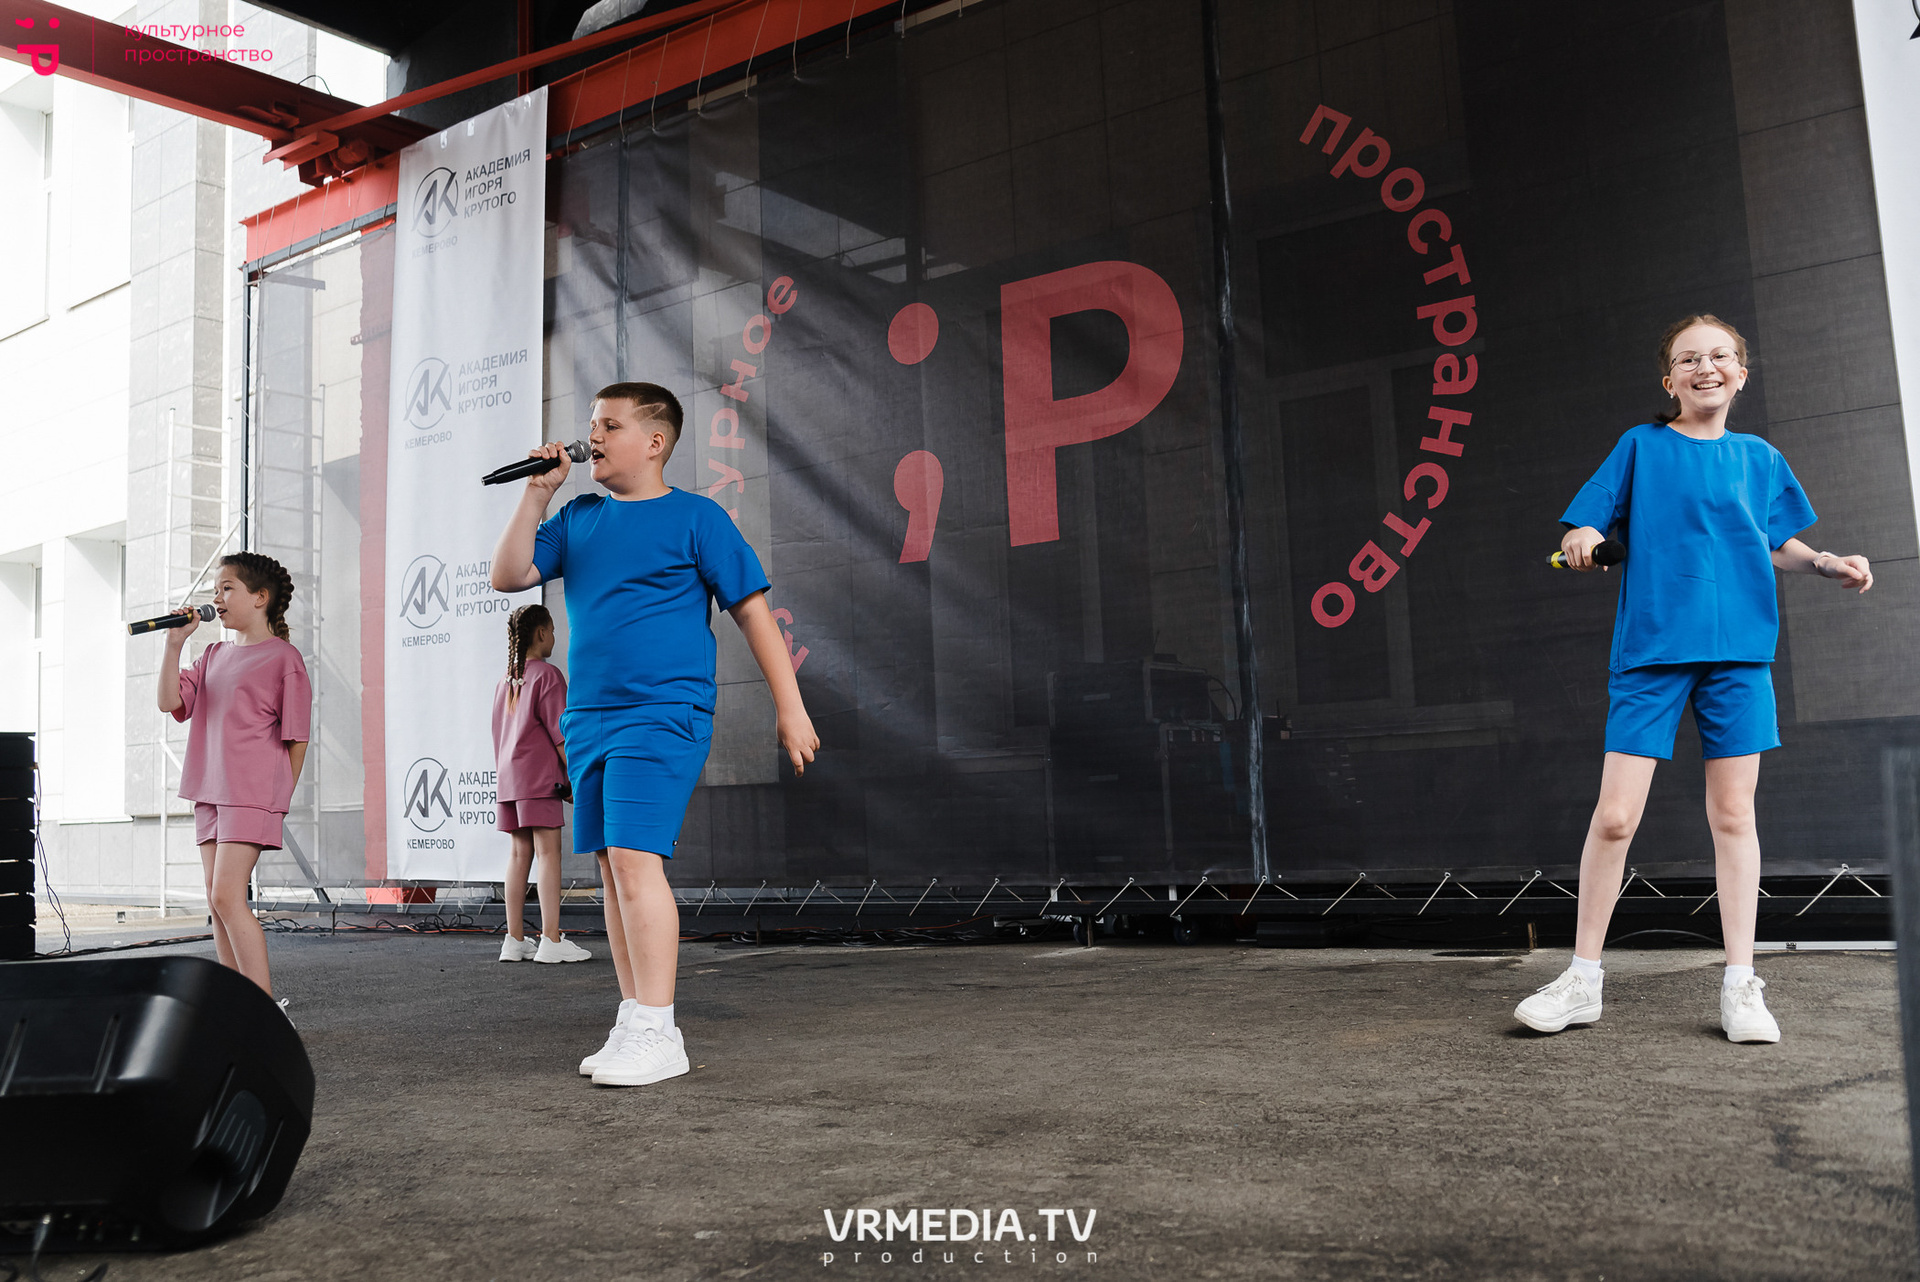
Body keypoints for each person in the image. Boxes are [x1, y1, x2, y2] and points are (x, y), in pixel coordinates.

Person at [1515, 315, 1873, 1044]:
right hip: (1652, 649)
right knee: (1615, 817)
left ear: (1741, 374)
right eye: (1688, 359)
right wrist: (1582, 536)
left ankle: (1741, 985)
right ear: (1670, 380)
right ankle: (1583, 980)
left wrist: (1824, 562)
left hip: (1739, 652)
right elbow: (1586, 526)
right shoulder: (1640, 447)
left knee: (1734, 816)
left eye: (1719, 356)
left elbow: (1776, 541)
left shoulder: (1760, 457)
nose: (1704, 367)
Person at [491, 381, 819, 1086]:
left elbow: (754, 614)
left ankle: (660, 1029)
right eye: (592, 424)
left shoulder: (697, 518)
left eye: (609, 425)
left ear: (655, 442)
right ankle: (635, 1014)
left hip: (665, 712)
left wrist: (789, 706)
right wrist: (538, 493)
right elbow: (508, 575)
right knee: (612, 870)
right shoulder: (578, 518)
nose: (593, 437)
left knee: (635, 861)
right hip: (589, 720)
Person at [156, 552, 312, 1009]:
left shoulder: (284, 659)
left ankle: (262, 1013)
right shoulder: (212, 655)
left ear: (260, 598)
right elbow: (168, 702)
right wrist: (173, 645)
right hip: (208, 790)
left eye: (227, 588)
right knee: (216, 900)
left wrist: (278, 797)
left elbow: (297, 738)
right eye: (215, 590)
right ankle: (236, 1008)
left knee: (227, 895)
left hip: (252, 792)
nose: (217, 598)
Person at [492, 603, 590, 964]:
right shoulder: (548, 675)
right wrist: (575, 777)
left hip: (510, 780)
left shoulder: (505, 680)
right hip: (539, 778)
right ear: (541, 633)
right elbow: (562, 735)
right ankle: (551, 939)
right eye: (552, 630)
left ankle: (514, 940)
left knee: (519, 855)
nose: (555, 637)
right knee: (548, 854)